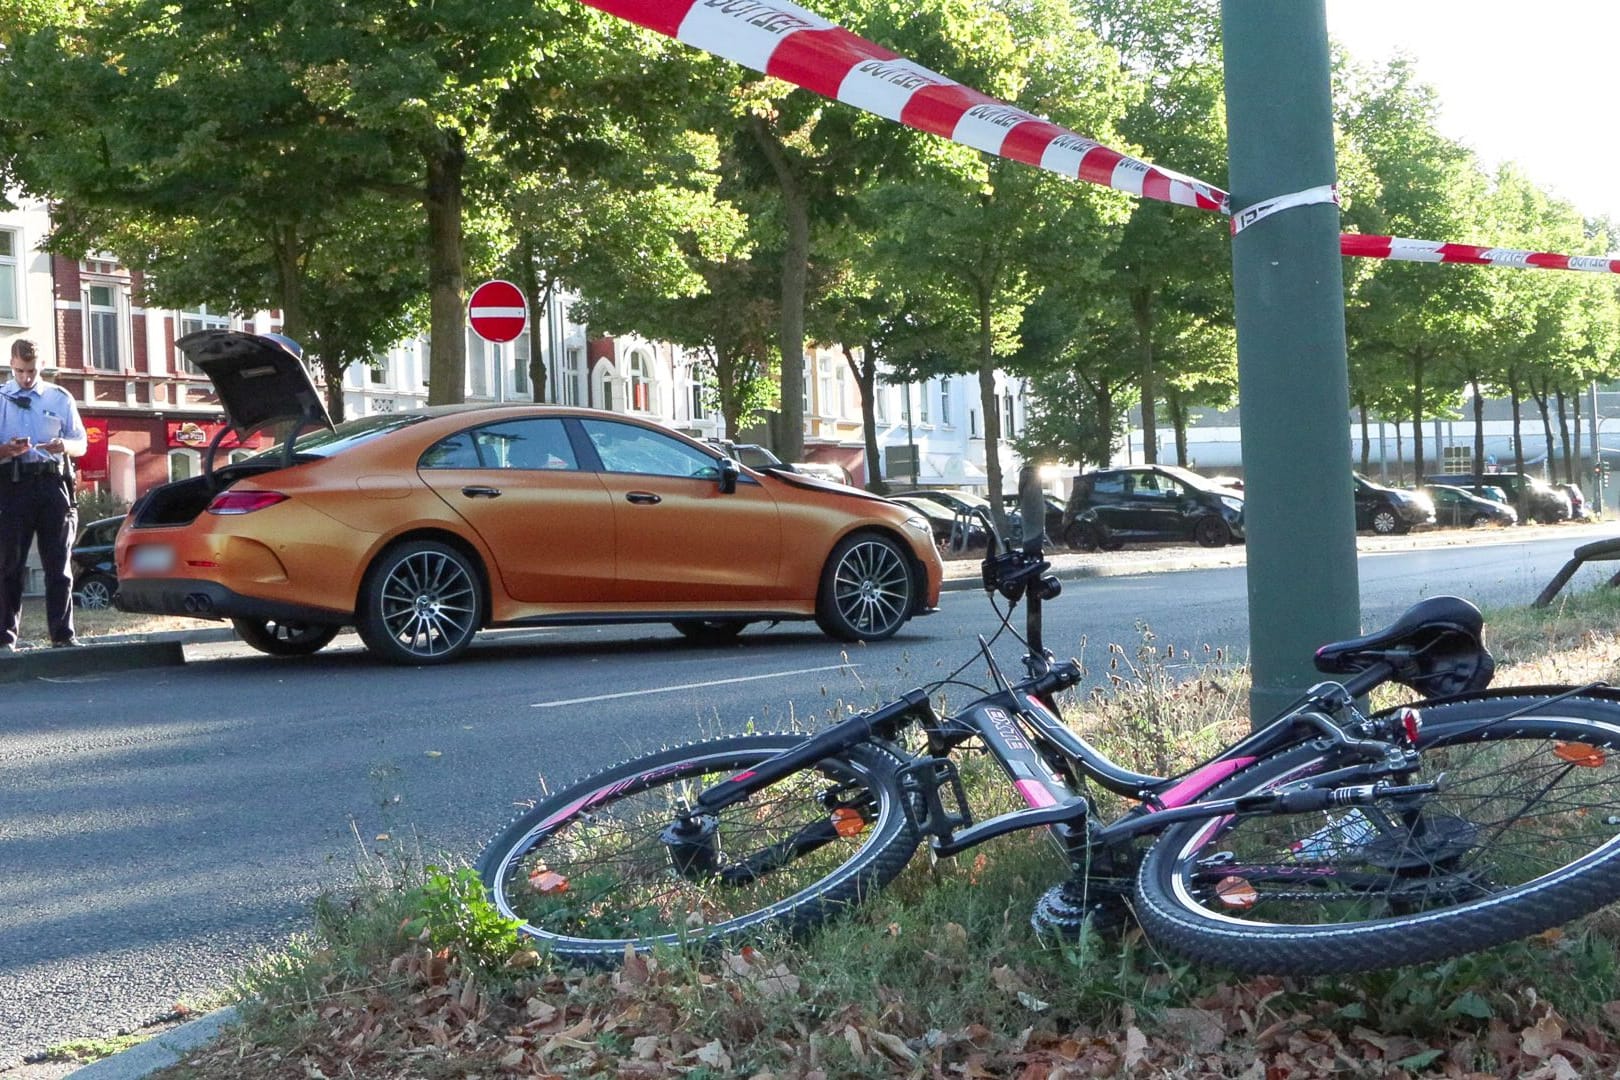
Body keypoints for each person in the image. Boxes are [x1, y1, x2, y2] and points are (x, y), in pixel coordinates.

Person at [0, 339, 88, 650]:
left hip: (52, 484)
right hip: (14, 484)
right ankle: (5, 639)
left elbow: (81, 443)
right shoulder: (1, 399)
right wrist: (6, 450)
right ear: (11, 365)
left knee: (59, 563)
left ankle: (63, 635)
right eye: (21, 371)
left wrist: (64, 446)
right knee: (9, 564)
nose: (26, 377)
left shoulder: (59, 396)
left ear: (42, 366)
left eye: (32, 370)